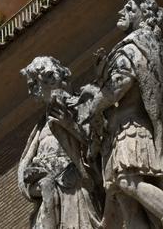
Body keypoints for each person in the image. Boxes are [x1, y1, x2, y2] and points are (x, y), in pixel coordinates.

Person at [82, 0, 163, 228]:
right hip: (117, 131)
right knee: (123, 197)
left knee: (127, 181)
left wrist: (94, 105)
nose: (122, 11)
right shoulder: (146, 46)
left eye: (129, 8)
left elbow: (116, 88)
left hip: (130, 127)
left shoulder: (134, 48)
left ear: (143, 15)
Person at [19, 56, 101, 228]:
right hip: (49, 196)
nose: (32, 91)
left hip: (75, 189)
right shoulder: (40, 128)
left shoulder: (79, 105)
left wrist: (69, 124)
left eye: (35, 85)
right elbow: (24, 172)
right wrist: (38, 184)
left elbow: (97, 143)